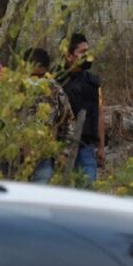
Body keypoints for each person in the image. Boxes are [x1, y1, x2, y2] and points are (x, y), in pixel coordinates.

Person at [59, 33, 105, 185]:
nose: (87, 56)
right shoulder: (56, 81)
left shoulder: (93, 82)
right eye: (82, 52)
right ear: (69, 56)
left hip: (87, 146)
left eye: (88, 51)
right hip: (60, 146)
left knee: (87, 189)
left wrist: (101, 147)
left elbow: (99, 114)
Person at [24, 48, 75, 183]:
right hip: (12, 161)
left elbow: (68, 121)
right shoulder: (6, 89)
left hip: (43, 160)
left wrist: (64, 152)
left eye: (41, 76)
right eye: (32, 76)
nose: (37, 80)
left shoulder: (55, 90)